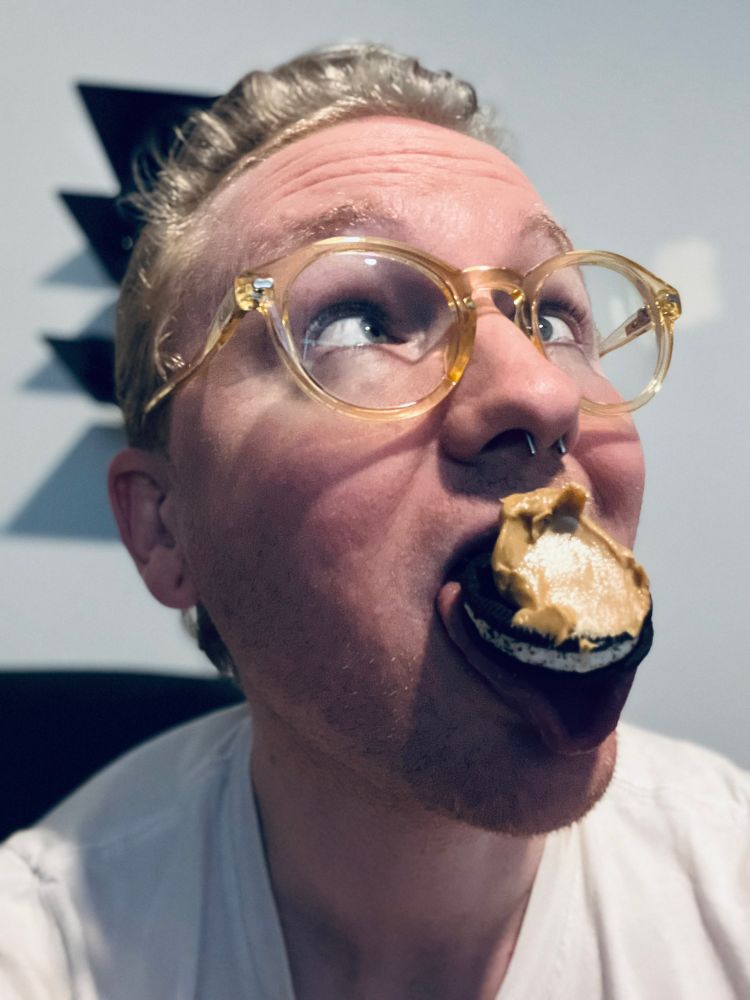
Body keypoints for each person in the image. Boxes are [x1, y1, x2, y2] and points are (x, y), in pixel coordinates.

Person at [1, 44, 748, 1000]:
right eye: (355, 321)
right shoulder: (43, 957)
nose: (538, 390)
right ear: (164, 530)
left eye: (552, 318)